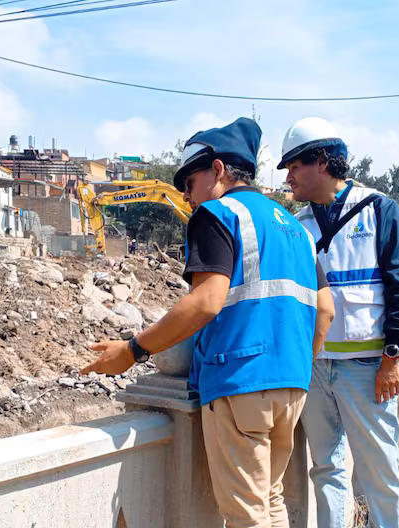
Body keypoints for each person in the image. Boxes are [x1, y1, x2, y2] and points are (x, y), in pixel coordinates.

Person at [82, 117, 335, 528]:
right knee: (269, 501)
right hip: (293, 383)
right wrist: (296, 363)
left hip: (241, 380)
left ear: (217, 171)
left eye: (189, 182)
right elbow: (325, 311)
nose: (186, 195)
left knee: (245, 516)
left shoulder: (218, 214)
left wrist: (131, 351)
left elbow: (205, 301)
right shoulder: (294, 227)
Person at [281, 117, 399, 528]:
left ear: (322, 162)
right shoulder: (300, 224)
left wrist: (391, 358)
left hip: (367, 369)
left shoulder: (380, 211)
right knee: (326, 468)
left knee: (378, 469)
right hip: (316, 368)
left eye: (294, 166)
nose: (288, 176)